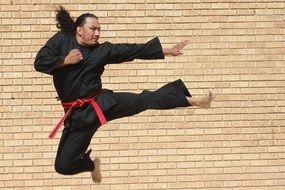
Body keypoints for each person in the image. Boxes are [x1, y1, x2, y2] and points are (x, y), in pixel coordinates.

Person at [34, 6, 215, 183]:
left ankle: (194, 101)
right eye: (93, 29)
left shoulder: (101, 50)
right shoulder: (61, 40)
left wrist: (168, 51)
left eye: (99, 29)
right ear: (79, 30)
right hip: (78, 117)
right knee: (62, 166)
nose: (97, 33)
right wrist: (65, 60)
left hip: (101, 104)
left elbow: (131, 50)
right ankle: (91, 165)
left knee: (143, 100)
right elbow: (40, 62)